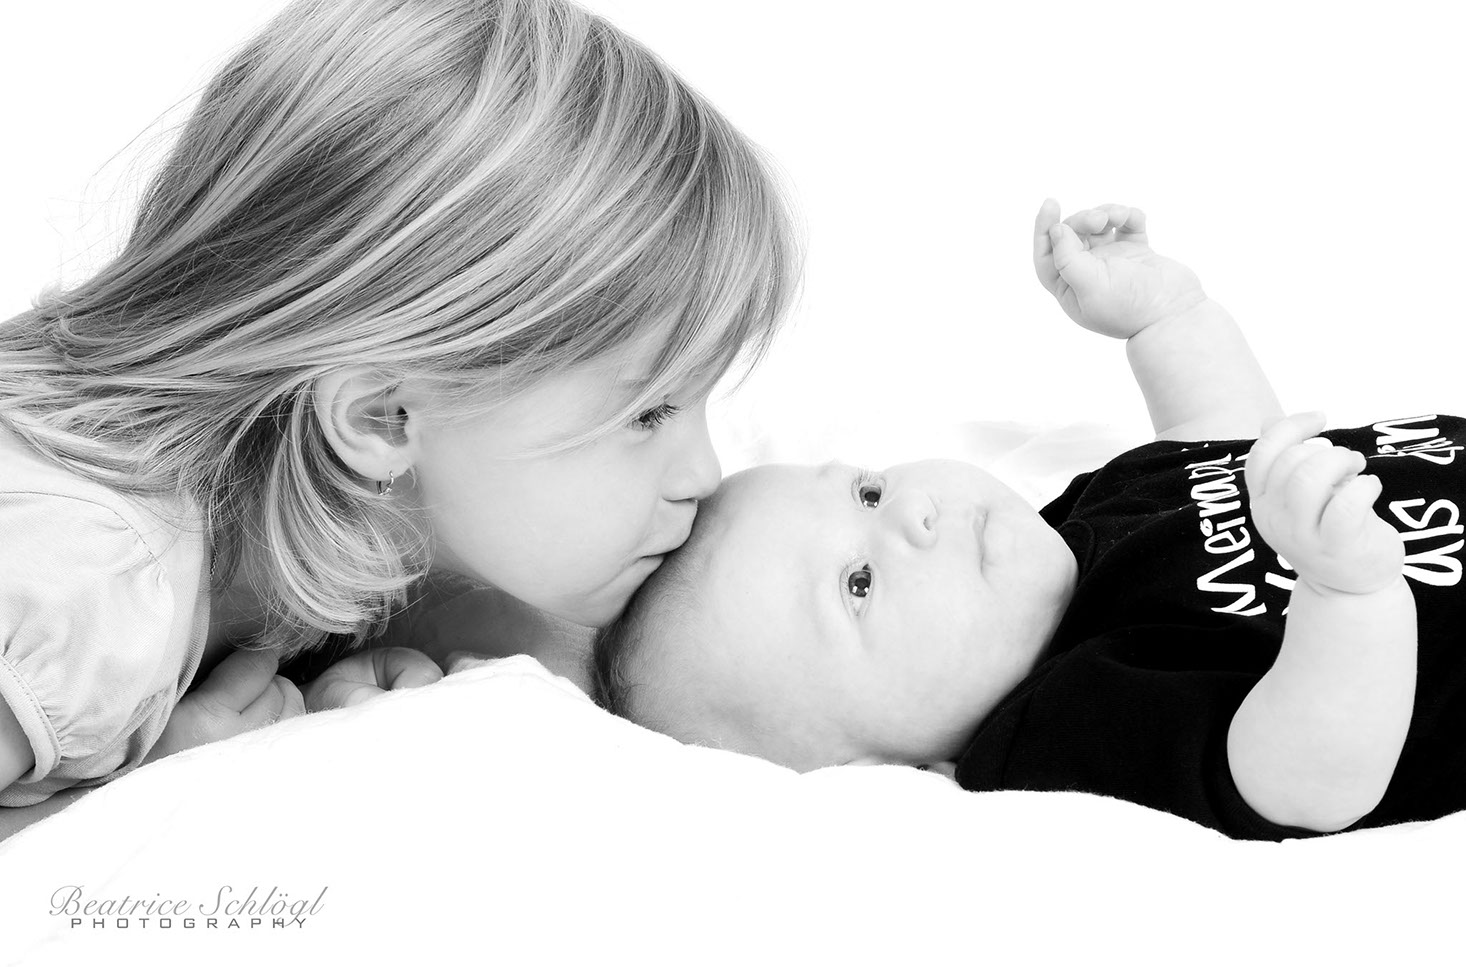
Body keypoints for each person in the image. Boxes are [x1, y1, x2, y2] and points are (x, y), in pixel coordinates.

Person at [0, 0, 801, 821]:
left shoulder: (332, 543)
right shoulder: (78, 590)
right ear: (381, 420)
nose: (704, 473)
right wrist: (143, 794)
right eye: (648, 412)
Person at [591, 199, 1466, 840]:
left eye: (868, 493)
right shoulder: (1059, 734)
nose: (915, 515)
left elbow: (1218, 445)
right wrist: (1347, 590)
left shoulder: (1074, 524)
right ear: (878, 770)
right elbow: (1309, 778)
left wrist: (1166, 317)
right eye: (858, 584)